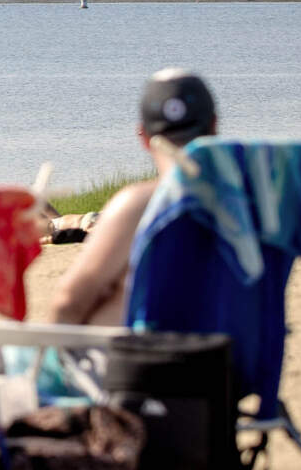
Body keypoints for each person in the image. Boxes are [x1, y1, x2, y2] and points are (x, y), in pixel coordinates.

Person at [47, 68, 217, 326]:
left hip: (152, 361)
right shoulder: (260, 202)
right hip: (242, 361)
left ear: (144, 137)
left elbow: (68, 303)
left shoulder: (137, 205)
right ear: (214, 125)